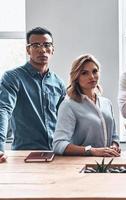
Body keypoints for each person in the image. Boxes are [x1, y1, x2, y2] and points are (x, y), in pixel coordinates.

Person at [0, 27, 66, 162]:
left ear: (53, 49)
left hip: (56, 153)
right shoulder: (12, 77)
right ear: (28, 49)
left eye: (47, 45)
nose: (42, 50)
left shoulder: (58, 83)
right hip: (25, 154)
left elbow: (66, 119)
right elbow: (3, 110)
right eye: (36, 45)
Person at [53, 54, 120, 157]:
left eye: (94, 71)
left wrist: (114, 145)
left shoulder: (107, 103)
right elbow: (58, 145)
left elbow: (114, 136)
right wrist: (92, 151)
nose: (92, 77)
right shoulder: (68, 105)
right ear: (76, 77)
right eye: (84, 73)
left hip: (107, 163)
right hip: (80, 166)